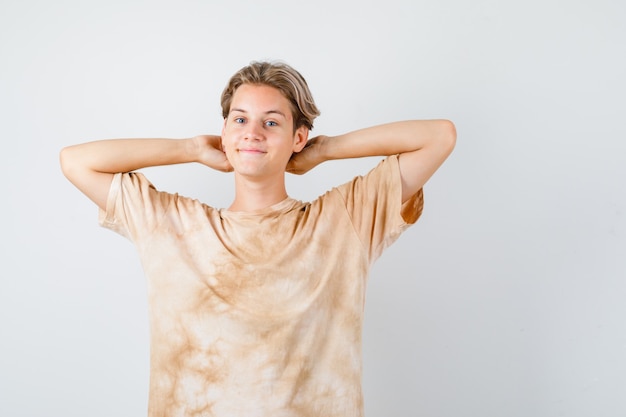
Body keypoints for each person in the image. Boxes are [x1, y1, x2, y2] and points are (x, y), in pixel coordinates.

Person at [60, 60, 456, 417]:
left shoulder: (344, 219)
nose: (252, 133)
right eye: (239, 119)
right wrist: (191, 148)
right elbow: (76, 162)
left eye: (271, 122)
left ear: (297, 138)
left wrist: (324, 150)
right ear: (224, 131)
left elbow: (439, 136)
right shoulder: (171, 224)